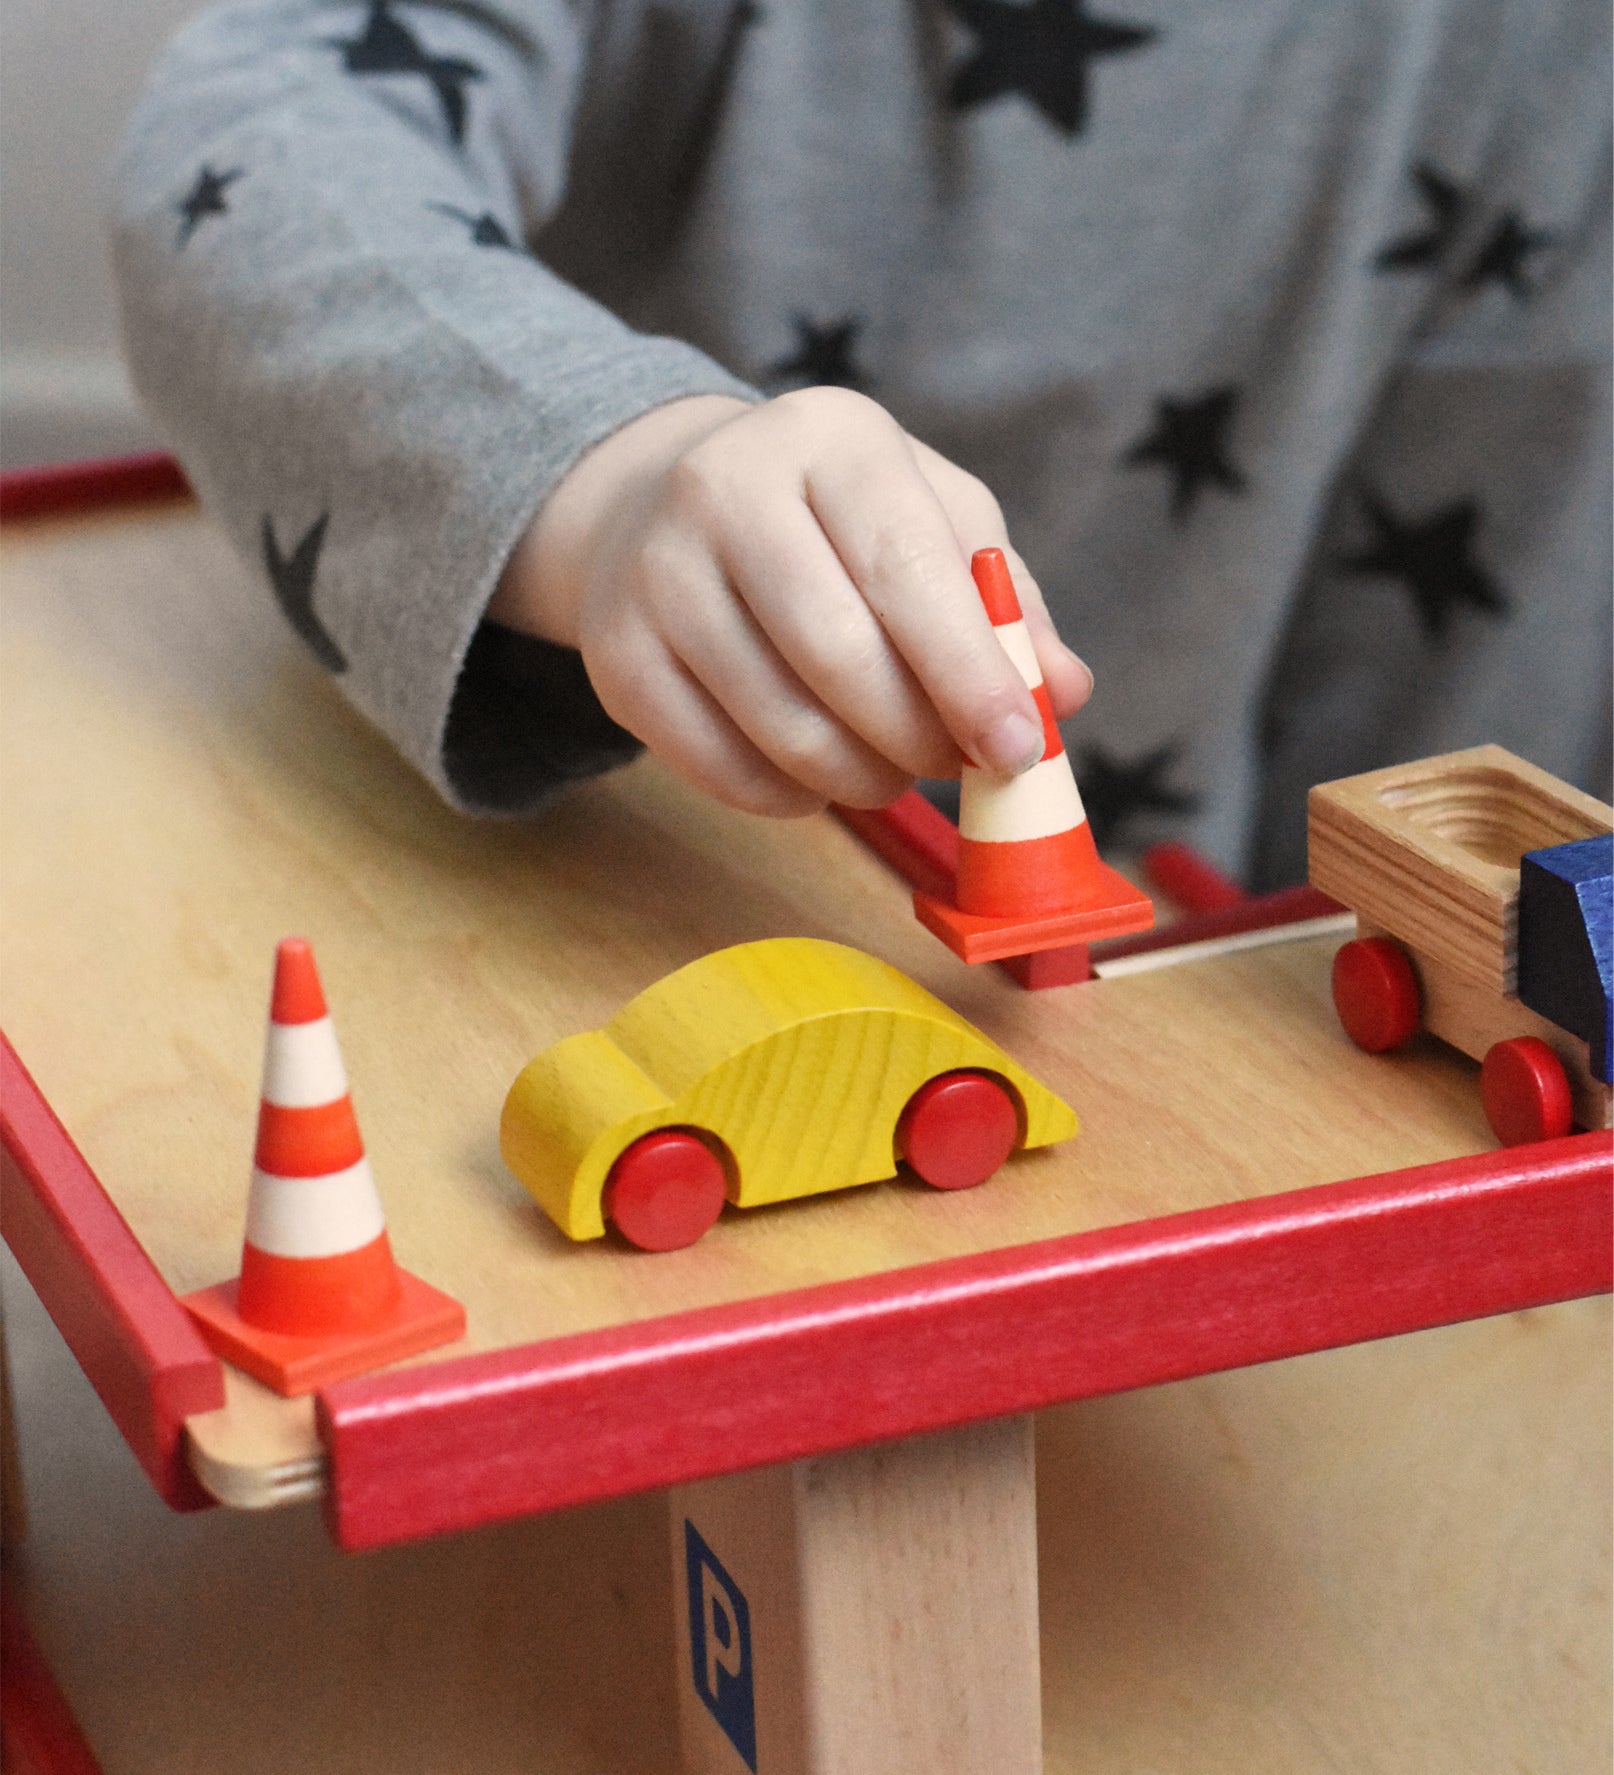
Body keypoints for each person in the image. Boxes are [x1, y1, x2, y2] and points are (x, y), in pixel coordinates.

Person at [111, 0, 1611, 886]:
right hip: (588, 889)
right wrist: (618, 471)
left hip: (1172, 1000)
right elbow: (262, 145)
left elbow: (1483, 701)